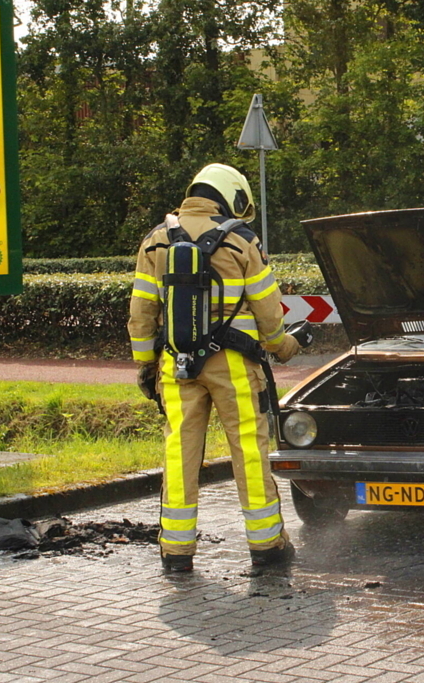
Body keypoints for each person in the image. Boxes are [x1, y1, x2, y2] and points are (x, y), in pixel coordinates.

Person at [128, 163, 301, 573]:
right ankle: (267, 547)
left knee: (179, 452)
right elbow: (267, 310)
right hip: (235, 365)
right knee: (248, 450)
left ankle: (176, 552)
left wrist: (146, 366)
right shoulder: (242, 240)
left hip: (176, 363)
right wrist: (284, 346)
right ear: (231, 196)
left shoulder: (155, 241)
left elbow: (141, 312)